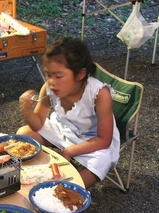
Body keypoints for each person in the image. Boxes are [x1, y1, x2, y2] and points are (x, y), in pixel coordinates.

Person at [17, 37, 120, 188]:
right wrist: (26, 110)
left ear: (80, 74)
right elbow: (37, 124)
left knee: (100, 162)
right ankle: (32, 177)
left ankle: (64, 190)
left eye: (58, 76)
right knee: (24, 133)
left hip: (92, 140)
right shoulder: (49, 88)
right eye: (48, 74)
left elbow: (104, 139)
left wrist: (70, 151)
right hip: (62, 130)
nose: (52, 81)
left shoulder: (99, 94)